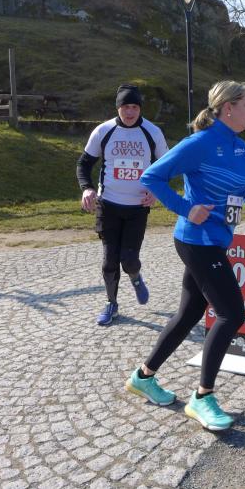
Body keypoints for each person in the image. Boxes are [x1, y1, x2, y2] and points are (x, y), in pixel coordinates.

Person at [125, 80, 245, 431]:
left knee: (189, 313)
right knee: (232, 314)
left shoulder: (242, 148)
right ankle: (203, 397)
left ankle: (144, 377)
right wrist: (186, 208)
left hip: (217, 239)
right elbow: (152, 177)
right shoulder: (200, 143)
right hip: (196, 240)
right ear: (228, 108)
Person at [76, 84, 169, 326]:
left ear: (140, 109)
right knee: (109, 260)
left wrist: (155, 192)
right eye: (125, 107)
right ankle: (111, 304)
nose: (130, 112)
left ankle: (135, 277)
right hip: (108, 205)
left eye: (135, 107)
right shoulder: (104, 131)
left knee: (129, 260)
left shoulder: (152, 132)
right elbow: (84, 164)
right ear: (118, 107)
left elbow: (167, 167)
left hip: (137, 208)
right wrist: (87, 188)